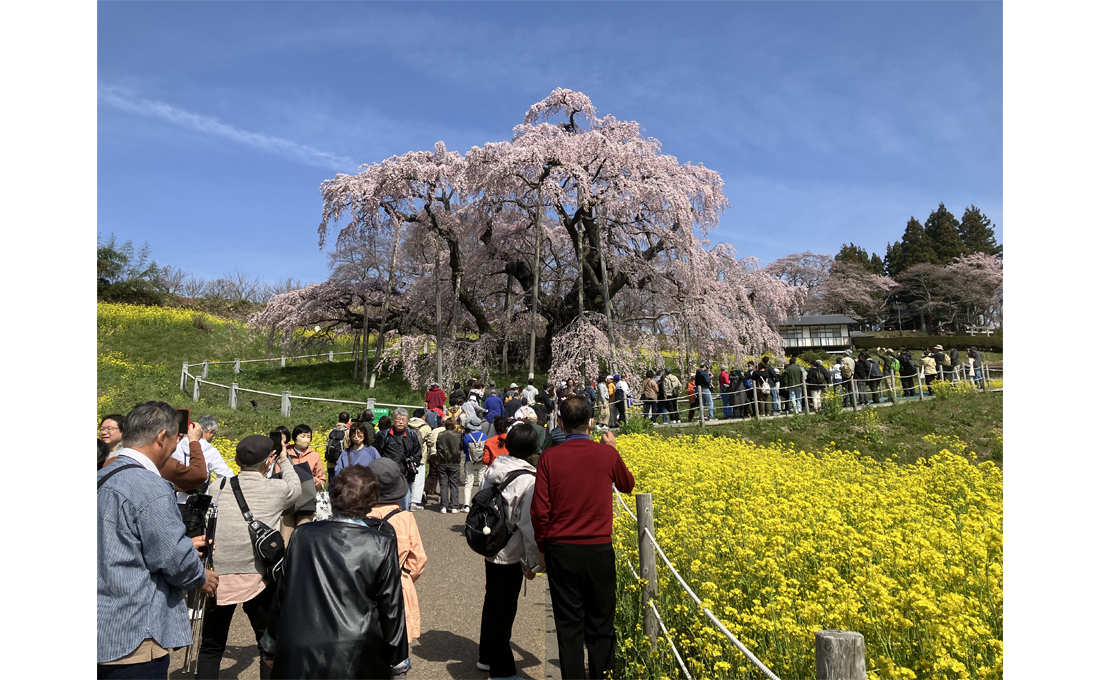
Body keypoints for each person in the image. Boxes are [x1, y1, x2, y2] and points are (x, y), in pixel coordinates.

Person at [98, 401, 218, 679]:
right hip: (133, 634)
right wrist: (201, 577)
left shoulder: (101, 476)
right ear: (162, 437)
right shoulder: (149, 485)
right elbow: (172, 559)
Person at [267, 466, 408, 679]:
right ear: (372, 501)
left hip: (300, 643)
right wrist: (397, 658)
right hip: (356, 649)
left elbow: (283, 593)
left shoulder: (302, 535)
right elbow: (391, 606)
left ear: (333, 496)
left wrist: (271, 642)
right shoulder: (381, 543)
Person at [532, 397, 635, 680]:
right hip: (599, 548)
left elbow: (540, 511)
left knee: (568, 627)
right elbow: (628, 485)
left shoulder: (549, 458)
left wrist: (542, 548)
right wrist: (612, 450)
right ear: (591, 423)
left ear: (560, 424)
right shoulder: (607, 455)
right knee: (601, 624)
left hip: (560, 550)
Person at [198, 435, 302, 679]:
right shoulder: (276, 489)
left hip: (217, 576)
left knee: (211, 647)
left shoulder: (218, 486)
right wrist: (285, 461)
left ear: (235, 459)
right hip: (258, 577)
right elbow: (297, 489)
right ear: (269, 461)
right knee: (267, 645)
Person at [476, 422, 541, 679]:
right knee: (505, 608)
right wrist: (534, 562)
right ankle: (501, 670)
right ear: (534, 449)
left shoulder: (494, 468)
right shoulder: (528, 478)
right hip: (511, 551)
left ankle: (486, 656)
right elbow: (527, 525)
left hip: (490, 544)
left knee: (492, 600)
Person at [367, 459, 427, 649]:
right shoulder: (405, 517)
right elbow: (417, 560)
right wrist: (406, 575)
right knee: (396, 645)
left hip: (363, 585)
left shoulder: (357, 515)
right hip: (397, 583)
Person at [171, 415, 236, 507]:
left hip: (175, 499)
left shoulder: (176, 445)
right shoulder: (210, 451)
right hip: (198, 502)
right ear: (211, 431)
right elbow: (226, 476)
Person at [277, 424, 324, 543]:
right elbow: (277, 476)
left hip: (306, 502)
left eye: (309, 436)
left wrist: (315, 481)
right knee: (285, 541)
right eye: (303, 436)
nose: (306, 439)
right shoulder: (284, 454)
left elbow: (322, 479)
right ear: (295, 438)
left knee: (302, 539)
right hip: (288, 501)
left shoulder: (314, 455)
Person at [375, 408, 423, 511]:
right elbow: (376, 454)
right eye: (398, 419)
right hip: (388, 475)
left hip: (406, 475)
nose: (401, 422)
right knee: (387, 505)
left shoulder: (411, 435)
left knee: (404, 504)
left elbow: (418, 453)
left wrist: (414, 462)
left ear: (407, 421)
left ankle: (403, 524)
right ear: (393, 420)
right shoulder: (384, 435)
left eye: (403, 419)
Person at [434, 417, 464, 513]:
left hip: (442, 461)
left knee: (443, 484)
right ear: (454, 425)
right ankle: (454, 506)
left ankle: (444, 505)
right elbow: (461, 447)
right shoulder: (459, 435)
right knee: (454, 484)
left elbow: (437, 447)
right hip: (454, 462)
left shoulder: (440, 435)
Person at [407, 410, 434, 512]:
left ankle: (407, 500)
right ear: (423, 417)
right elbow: (431, 442)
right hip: (420, 457)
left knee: (408, 479)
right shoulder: (425, 427)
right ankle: (415, 502)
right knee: (418, 480)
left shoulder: (408, 426)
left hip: (407, 456)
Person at [462, 420, 488, 514]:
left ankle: (466, 505)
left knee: (468, 483)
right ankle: (481, 503)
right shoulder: (484, 436)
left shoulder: (467, 436)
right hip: (481, 461)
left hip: (470, 461)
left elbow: (465, 449)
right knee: (481, 482)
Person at [324, 412, 352, 485]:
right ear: (348, 420)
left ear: (338, 419)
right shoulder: (348, 433)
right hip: (343, 464)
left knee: (332, 486)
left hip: (331, 463)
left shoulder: (331, 432)